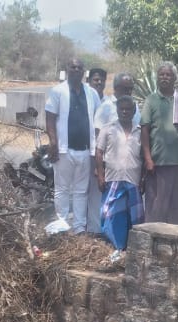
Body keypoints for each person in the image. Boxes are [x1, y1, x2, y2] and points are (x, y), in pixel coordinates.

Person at [45, 58, 101, 233]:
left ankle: (78, 228)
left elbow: (97, 120)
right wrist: (53, 142)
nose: (76, 70)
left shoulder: (91, 93)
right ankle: (61, 226)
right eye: (72, 67)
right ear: (67, 69)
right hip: (64, 150)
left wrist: (96, 149)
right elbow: (50, 118)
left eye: (79, 68)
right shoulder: (57, 91)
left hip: (85, 150)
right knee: (61, 189)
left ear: (84, 72)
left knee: (80, 191)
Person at [95, 96, 145, 262]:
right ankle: (114, 248)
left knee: (134, 217)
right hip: (113, 179)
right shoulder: (108, 129)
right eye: (122, 109)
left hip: (133, 179)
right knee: (111, 214)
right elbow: (99, 153)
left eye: (128, 109)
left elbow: (144, 156)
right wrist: (101, 176)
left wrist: (143, 179)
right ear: (117, 110)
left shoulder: (140, 131)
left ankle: (130, 251)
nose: (125, 112)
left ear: (134, 111)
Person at [141, 61, 178, 225]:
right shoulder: (151, 100)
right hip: (157, 162)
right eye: (161, 74)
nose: (164, 77)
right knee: (157, 205)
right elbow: (144, 130)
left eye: (168, 74)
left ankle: (176, 242)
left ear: (174, 78)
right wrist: (148, 158)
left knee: (177, 206)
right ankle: (153, 239)